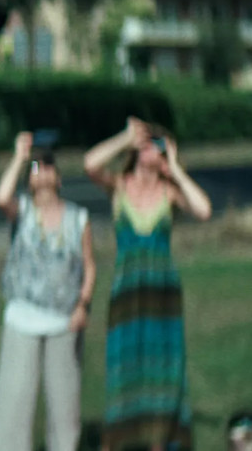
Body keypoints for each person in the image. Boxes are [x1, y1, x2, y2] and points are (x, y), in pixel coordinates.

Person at [83, 118, 212, 451]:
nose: (145, 145)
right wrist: (125, 138)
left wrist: (176, 170)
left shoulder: (170, 192)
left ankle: (159, 440)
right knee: (125, 369)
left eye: (154, 142)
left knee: (163, 371)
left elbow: (204, 210)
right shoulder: (119, 185)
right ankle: (118, 441)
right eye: (144, 142)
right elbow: (90, 164)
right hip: (126, 294)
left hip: (163, 296)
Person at [0, 132, 96, 451]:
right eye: (37, 167)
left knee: (65, 408)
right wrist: (20, 157)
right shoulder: (21, 211)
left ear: (59, 179)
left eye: (49, 166)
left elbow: (89, 265)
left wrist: (83, 304)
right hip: (23, 320)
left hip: (64, 321)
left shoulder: (79, 218)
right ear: (29, 181)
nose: (43, 170)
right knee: (14, 405)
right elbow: (0, 197)